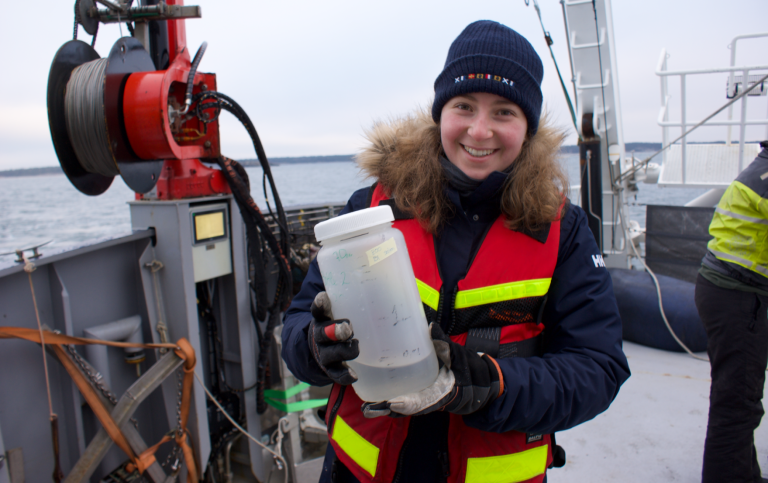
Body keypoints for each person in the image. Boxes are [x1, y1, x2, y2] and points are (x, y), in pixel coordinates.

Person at [282, 20, 630, 483]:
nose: (479, 130)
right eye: (463, 106)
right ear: (439, 113)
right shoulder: (371, 208)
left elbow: (597, 369)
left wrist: (489, 385)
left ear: (527, 127)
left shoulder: (563, 231)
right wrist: (315, 345)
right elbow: (298, 326)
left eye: (503, 112)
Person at [695, 141, 768, 483]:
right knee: (737, 403)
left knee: (739, 399)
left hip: (731, 292)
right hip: (737, 297)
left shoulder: (760, 168)